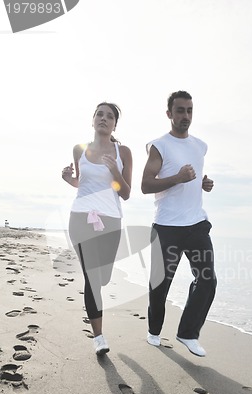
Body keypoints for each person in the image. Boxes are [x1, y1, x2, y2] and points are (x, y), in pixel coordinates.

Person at [141, 90, 217, 357]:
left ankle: (187, 333)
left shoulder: (200, 146)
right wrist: (178, 177)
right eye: (181, 110)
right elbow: (145, 185)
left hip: (196, 223)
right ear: (169, 114)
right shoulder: (159, 145)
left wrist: (203, 183)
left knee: (207, 280)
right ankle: (153, 331)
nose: (186, 116)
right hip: (167, 226)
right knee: (160, 285)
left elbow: (193, 179)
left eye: (189, 110)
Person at [62, 102, 132, 355]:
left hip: (110, 219)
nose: (104, 118)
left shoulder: (122, 152)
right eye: (100, 114)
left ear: (114, 124)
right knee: (92, 278)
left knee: (103, 277)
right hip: (80, 217)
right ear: (92, 120)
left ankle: (100, 290)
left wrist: (115, 171)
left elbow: (125, 193)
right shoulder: (79, 149)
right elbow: (84, 183)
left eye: (110, 116)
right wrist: (70, 180)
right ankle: (99, 337)